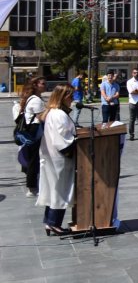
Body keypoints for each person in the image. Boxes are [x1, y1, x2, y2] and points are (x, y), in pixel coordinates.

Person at [35, 84, 77, 236]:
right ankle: (54, 223)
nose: (73, 99)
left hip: (51, 158)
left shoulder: (53, 112)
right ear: (63, 96)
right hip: (59, 159)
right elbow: (62, 140)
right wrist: (77, 140)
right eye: (71, 96)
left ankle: (49, 222)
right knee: (60, 191)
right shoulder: (59, 114)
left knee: (54, 191)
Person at [15, 76, 46, 197]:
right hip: (34, 131)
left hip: (30, 131)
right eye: (43, 83)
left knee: (31, 158)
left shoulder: (33, 98)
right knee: (34, 160)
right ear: (35, 85)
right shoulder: (36, 100)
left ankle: (32, 184)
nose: (45, 85)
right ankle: (32, 188)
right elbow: (41, 117)